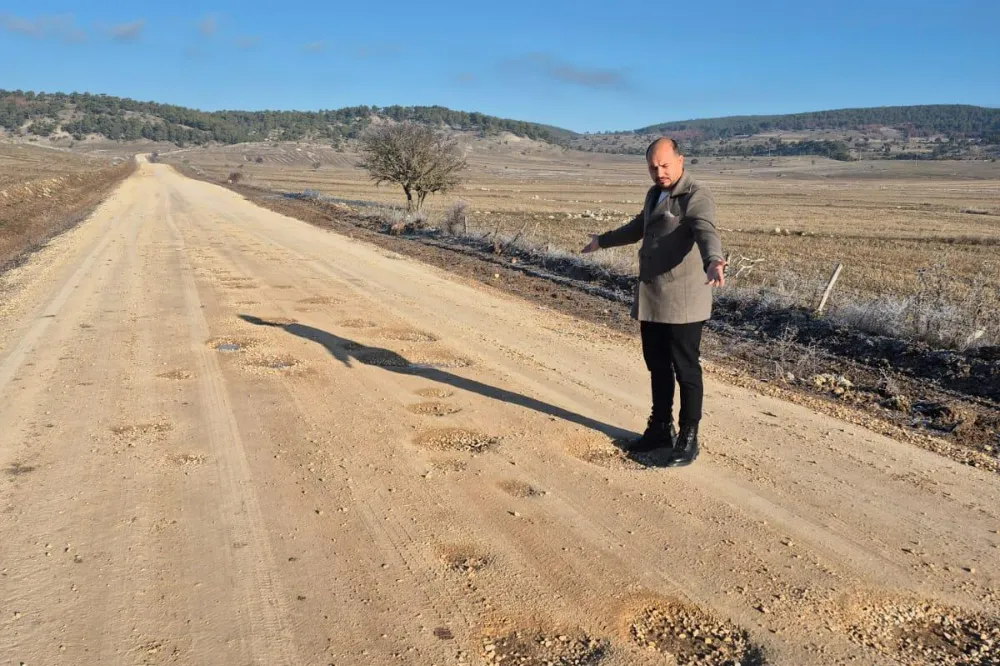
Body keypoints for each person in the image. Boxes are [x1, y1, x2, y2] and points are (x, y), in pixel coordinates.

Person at [582, 137, 725, 466]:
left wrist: (714, 261)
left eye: (664, 165)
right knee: (657, 367)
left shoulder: (695, 195)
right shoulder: (653, 194)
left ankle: (689, 438)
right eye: (652, 167)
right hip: (653, 298)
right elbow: (637, 228)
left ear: (680, 160)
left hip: (684, 303)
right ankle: (660, 428)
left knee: (686, 370)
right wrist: (601, 241)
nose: (659, 172)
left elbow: (706, 231)